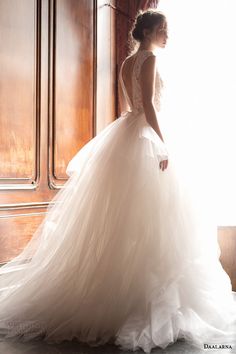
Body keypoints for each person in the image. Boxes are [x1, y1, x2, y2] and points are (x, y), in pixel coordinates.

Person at [0, 8, 236, 354]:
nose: (168, 35)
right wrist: (162, 143)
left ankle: (121, 293)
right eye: (165, 29)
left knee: (125, 221)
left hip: (126, 132)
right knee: (154, 220)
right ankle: (141, 298)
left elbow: (131, 103)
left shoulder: (127, 62)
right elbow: (150, 108)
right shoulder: (150, 59)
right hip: (146, 135)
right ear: (153, 30)